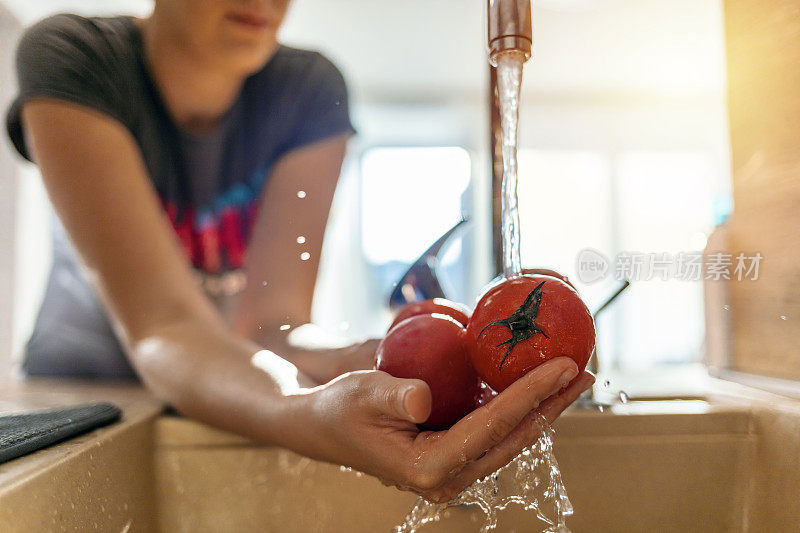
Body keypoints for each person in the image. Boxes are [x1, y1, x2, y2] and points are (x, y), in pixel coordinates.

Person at [4, 0, 593, 502]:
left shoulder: (306, 91)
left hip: (229, 387)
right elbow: (164, 325)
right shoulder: (73, 57)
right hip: (82, 395)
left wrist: (361, 359)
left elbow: (270, 326)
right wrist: (305, 412)